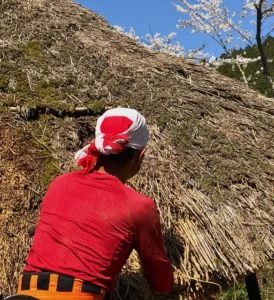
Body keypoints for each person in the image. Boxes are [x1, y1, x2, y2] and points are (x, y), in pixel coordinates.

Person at [16, 108, 174, 299]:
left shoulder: (60, 183)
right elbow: (160, 284)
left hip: (26, 291)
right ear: (141, 155)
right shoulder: (138, 206)